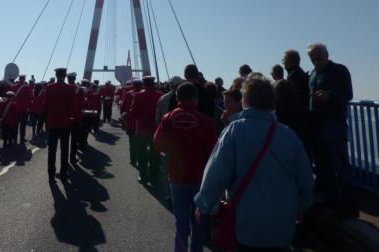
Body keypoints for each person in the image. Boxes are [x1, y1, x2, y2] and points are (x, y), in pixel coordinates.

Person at [194, 76, 314, 252]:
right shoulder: (288, 135)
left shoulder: (234, 131)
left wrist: (203, 204)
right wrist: (302, 206)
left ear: (244, 100)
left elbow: (217, 172)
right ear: (272, 102)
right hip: (281, 224)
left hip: (245, 223)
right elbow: (305, 178)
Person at [154, 82, 217, 252]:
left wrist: (173, 151)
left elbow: (158, 143)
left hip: (176, 177)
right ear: (195, 98)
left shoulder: (168, 118)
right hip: (199, 178)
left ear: (177, 98)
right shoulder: (205, 120)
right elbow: (213, 151)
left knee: (180, 223)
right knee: (198, 222)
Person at [307, 43, 357, 218]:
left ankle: (349, 206)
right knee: (323, 165)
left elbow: (348, 94)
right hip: (318, 125)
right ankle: (331, 200)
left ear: (327, 54)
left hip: (334, 124)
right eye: (312, 59)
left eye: (318, 58)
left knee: (340, 164)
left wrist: (330, 96)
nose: (316, 62)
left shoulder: (339, 71)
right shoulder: (312, 74)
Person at [130, 76, 163, 185]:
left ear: (144, 84)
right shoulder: (160, 96)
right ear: (153, 84)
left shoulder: (138, 95)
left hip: (141, 129)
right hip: (155, 129)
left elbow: (133, 112)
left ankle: (143, 176)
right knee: (155, 153)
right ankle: (154, 178)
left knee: (142, 153)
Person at [45, 67, 76, 181]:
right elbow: (73, 105)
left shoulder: (49, 87)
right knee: (64, 150)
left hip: (53, 122)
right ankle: (63, 173)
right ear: (65, 76)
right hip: (65, 123)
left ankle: (51, 174)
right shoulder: (70, 88)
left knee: (51, 150)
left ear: (57, 75)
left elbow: (46, 105)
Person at [68, 73, 85, 164]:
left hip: (65, 119)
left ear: (68, 79)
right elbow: (82, 104)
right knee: (74, 140)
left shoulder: (64, 88)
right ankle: (72, 158)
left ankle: (64, 159)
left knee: (64, 141)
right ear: (75, 79)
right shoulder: (80, 90)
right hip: (76, 118)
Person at [13, 75, 33, 143]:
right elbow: (29, 98)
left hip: (16, 109)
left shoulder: (15, 86)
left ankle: (14, 138)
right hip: (23, 109)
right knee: (22, 125)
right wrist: (29, 107)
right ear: (24, 79)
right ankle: (22, 138)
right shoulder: (27, 87)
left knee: (15, 125)